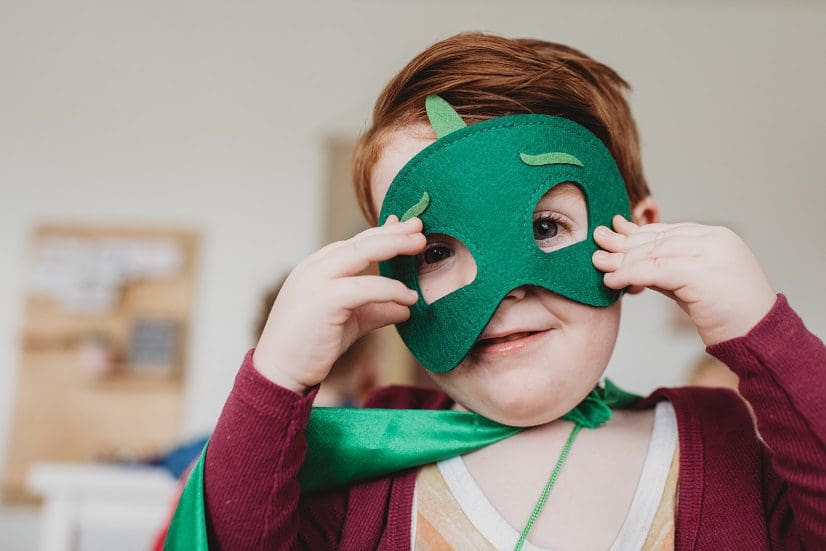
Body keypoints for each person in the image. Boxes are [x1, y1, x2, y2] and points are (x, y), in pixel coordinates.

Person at [170, 33, 826, 549]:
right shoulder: (367, 466)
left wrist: (764, 332)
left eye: (545, 226)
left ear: (641, 238)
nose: (499, 290)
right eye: (434, 251)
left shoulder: (722, 445)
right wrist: (275, 377)